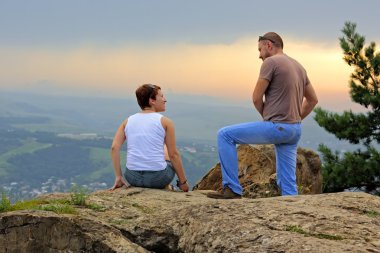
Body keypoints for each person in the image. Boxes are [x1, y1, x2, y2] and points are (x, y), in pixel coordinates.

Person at [207, 32, 318, 199]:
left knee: (225, 135)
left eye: (260, 49)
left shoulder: (271, 62)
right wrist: (295, 119)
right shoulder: (299, 66)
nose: (259, 55)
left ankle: (232, 189)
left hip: (277, 127)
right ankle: (292, 209)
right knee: (288, 186)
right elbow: (312, 100)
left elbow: (256, 97)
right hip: (294, 131)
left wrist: (267, 117)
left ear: (269, 45)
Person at [110, 84, 189, 192]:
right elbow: (173, 155)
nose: (165, 100)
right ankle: (168, 187)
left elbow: (114, 147)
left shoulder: (127, 121)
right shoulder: (166, 122)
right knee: (166, 148)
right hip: (159, 178)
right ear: (152, 100)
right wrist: (183, 183)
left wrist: (118, 177)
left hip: (132, 177)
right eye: (161, 96)